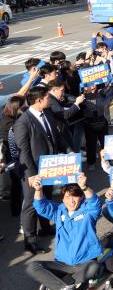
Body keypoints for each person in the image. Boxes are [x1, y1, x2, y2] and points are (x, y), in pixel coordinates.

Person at [26, 173, 101, 290]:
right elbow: (41, 206)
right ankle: (64, 288)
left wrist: (84, 187)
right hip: (62, 263)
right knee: (32, 266)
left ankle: (57, 284)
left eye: (75, 196)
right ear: (62, 199)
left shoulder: (88, 211)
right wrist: (38, 189)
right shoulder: (59, 210)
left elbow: (95, 202)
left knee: (94, 267)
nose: (71, 201)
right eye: (67, 197)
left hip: (85, 263)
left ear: (81, 197)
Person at [15, 85, 67, 254]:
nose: (49, 99)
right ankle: (30, 241)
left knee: (46, 197)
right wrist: (31, 174)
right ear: (38, 100)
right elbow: (24, 152)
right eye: (46, 97)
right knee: (30, 205)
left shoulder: (47, 114)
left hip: (49, 168)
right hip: (33, 171)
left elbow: (55, 137)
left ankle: (45, 227)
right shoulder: (23, 121)